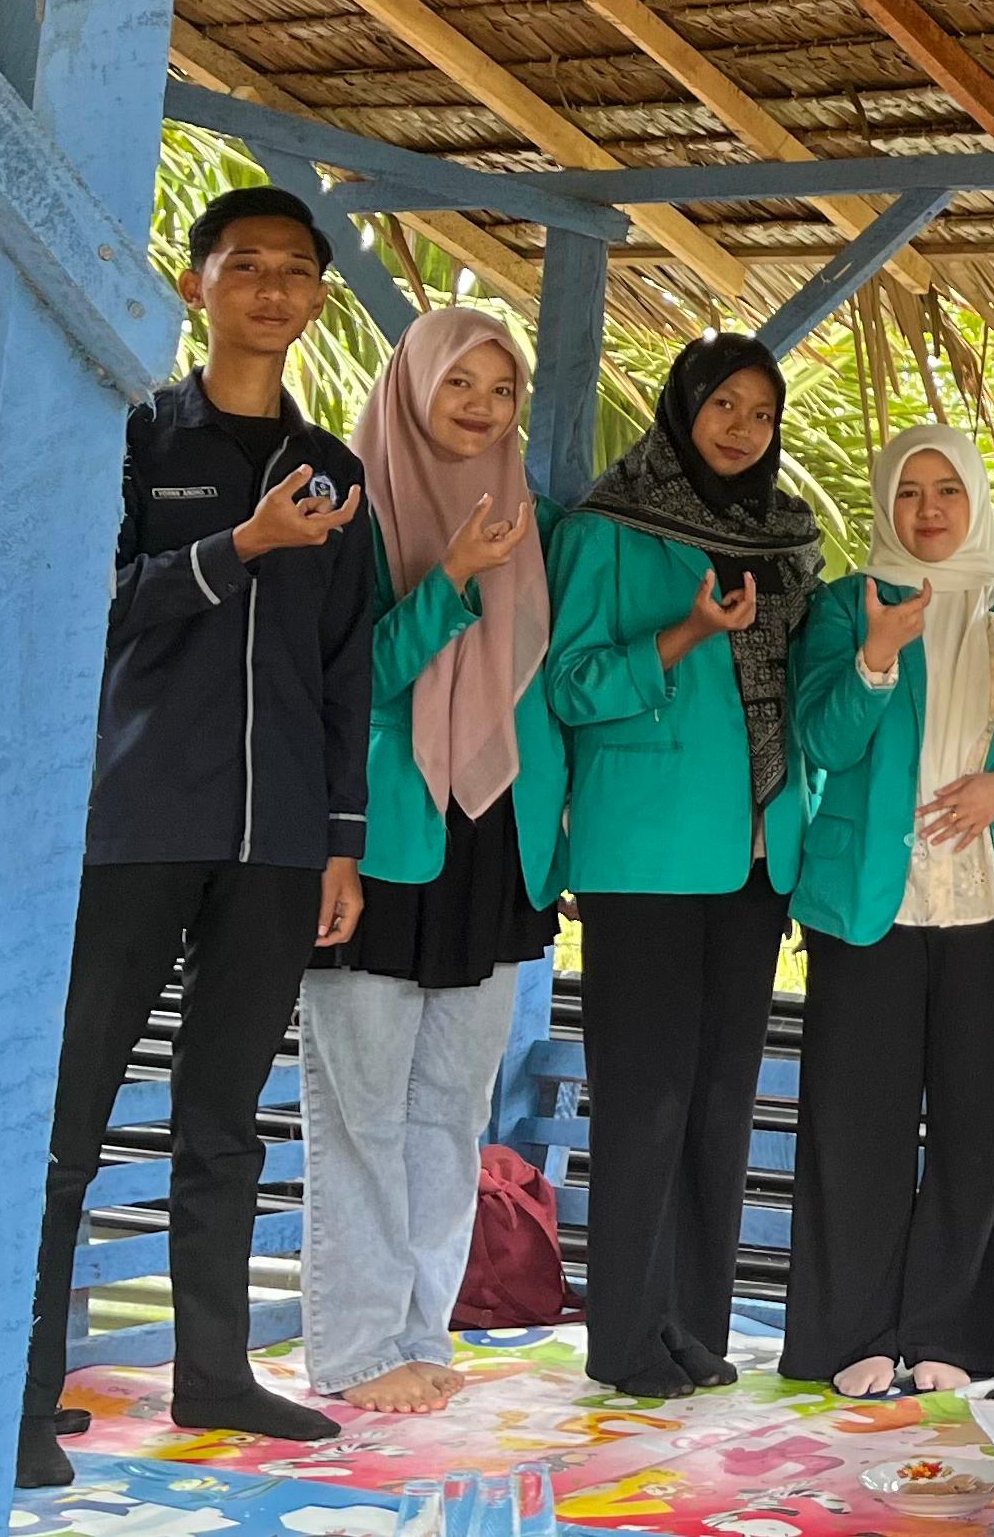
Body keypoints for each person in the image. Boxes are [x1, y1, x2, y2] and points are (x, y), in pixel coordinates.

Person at [21, 185, 373, 1488]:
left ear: (318, 297)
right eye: (246, 266)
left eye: (295, 270)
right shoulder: (129, 438)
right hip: (133, 829)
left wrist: (340, 842)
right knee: (68, 1117)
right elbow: (89, 607)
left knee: (223, 1120)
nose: (270, 289)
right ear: (197, 284)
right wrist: (239, 545)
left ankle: (214, 1375)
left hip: (276, 846)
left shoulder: (335, 476)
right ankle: (13, 1389)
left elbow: (350, 674)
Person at [545, 333, 822, 1397]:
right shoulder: (611, 527)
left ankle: (694, 1332)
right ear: (683, 410)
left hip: (756, 856)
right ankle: (623, 1341)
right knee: (646, 1098)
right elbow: (570, 685)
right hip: (648, 851)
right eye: (725, 408)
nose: (743, 428)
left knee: (720, 1102)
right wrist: (685, 634)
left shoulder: (789, 538)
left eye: (760, 411)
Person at [302, 306, 566, 1414]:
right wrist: (450, 576)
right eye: (464, 382)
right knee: (358, 1108)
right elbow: (347, 679)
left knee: (452, 1113)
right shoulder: (344, 512)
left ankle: (422, 1333)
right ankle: (356, 1350)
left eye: (503, 391)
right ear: (412, 384)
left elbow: (537, 695)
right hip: (378, 839)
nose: (482, 408)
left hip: (493, 843)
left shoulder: (526, 520)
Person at [781, 426, 994, 1399]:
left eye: (949, 489)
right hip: (871, 905)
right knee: (853, 1127)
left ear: (977, 497)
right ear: (886, 504)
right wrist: (874, 655)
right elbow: (820, 741)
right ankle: (852, 1334)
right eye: (911, 493)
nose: (931, 510)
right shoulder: (845, 604)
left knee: (980, 1130)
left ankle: (955, 1338)